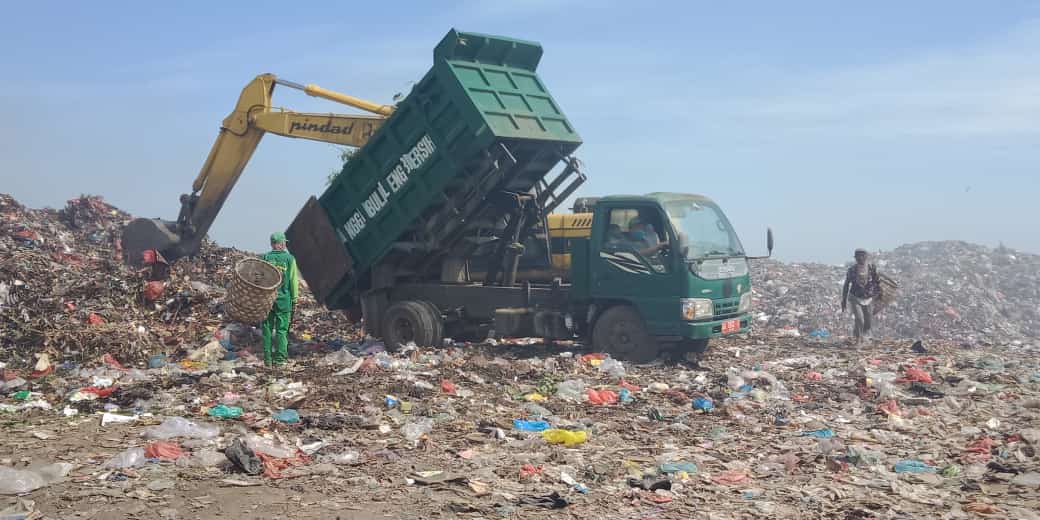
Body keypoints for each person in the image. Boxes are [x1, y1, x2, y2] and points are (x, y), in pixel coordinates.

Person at [261, 231, 299, 366]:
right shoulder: (290, 259)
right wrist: (295, 299)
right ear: (282, 243)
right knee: (282, 330)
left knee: (266, 329)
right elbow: (293, 280)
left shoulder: (265, 257)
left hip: (267, 300)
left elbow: (259, 279)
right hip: (284, 300)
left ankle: (267, 360)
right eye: (284, 243)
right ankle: (280, 360)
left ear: (272, 244)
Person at [842, 248, 881, 344]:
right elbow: (846, 285)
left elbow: (877, 281)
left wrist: (879, 294)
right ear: (855, 258)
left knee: (868, 322)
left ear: (866, 257)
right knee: (860, 319)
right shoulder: (852, 270)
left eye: (862, 256)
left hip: (868, 297)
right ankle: (859, 340)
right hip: (855, 297)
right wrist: (843, 300)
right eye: (858, 256)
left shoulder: (871, 268)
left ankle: (860, 335)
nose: (860, 258)